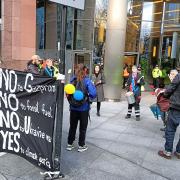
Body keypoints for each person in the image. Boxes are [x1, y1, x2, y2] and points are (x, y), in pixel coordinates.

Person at [66, 64, 96, 152]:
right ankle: (81, 145)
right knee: (83, 128)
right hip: (84, 108)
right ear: (85, 70)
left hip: (73, 108)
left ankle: (69, 144)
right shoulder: (87, 81)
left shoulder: (72, 80)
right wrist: (88, 96)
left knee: (72, 126)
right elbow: (93, 94)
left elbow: (67, 92)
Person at [158, 69, 180, 159]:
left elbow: (170, 88)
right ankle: (179, 152)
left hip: (177, 106)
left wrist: (165, 94)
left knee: (170, 129)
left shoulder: (179, 76)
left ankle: (168, 152)